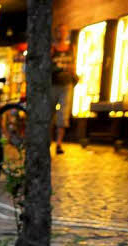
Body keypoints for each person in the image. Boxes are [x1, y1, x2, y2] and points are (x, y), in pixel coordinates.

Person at [51, 24, 78, 155]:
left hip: (67, 84)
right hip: (53, 84)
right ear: (56, 33)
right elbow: (47, 66)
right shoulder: (52, 49)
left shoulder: (71, 48)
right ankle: (47, 141)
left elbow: (74, 64)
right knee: (49, 114)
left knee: (63, 115)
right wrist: (60, 69)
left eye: (64, 31)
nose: (62, 34)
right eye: (59, 31)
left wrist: (74, 76)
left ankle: (59, 143)